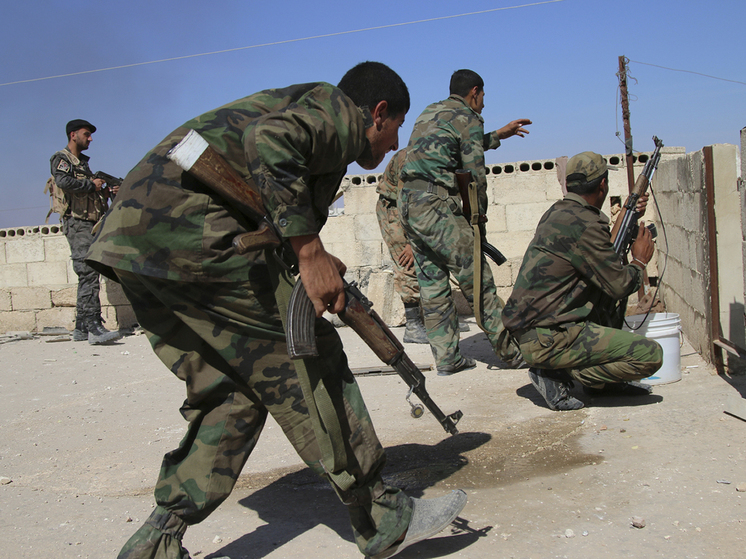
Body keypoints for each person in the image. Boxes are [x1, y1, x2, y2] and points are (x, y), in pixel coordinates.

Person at [86, 62, 466, 559]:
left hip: (137, 245)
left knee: (235, 393)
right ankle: (383, 516)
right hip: (191, 237)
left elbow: (264, 198)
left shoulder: (307, 112)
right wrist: (309, 253)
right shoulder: (338, 115)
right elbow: (271, 142)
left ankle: (157, 540)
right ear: (377, 113)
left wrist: (313, 254)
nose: (394, 144)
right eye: (395, 129)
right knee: (309, 359)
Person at [502, 151, 663, 411]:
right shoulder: (586, 224)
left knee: (604, 299)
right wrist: (640, 261)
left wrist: (623, 218)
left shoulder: (558, 213)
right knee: (650, 355)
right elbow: (619, 283)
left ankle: (602, 384)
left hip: (533, 332)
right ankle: (558, 374)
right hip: (550, 339)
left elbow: (598, 256)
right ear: (603, 185)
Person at [399, 69, 531, 376]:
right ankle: (513, 354)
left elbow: (449, 147)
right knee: (478, 280)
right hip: (436, 206)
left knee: (432, 284)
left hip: (410, 204)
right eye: (483, 96)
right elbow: (475, 175)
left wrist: (499, 135)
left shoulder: (431, 112)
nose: (483, 102)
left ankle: (447, 359)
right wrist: (478, 221)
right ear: (475, 92)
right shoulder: (468, 117)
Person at [50, 119, 122, 345]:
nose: (90, 138)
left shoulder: (83, 164)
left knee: (87, 271)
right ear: (73, 135)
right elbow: (63, 182)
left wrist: (108, 189)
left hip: (89, 223)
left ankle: (81, 328)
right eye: (86, 134)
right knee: (89, 271)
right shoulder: (62, 159)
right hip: (77, 222)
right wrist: (93, 185)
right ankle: (93, 326)